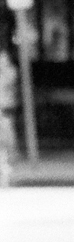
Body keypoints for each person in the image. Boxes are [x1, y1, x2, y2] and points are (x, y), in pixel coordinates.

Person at [0, 46, 18, 188]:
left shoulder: (10, 73)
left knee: (7, 143)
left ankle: (6, 173)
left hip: (5, 113)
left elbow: (9, 79)